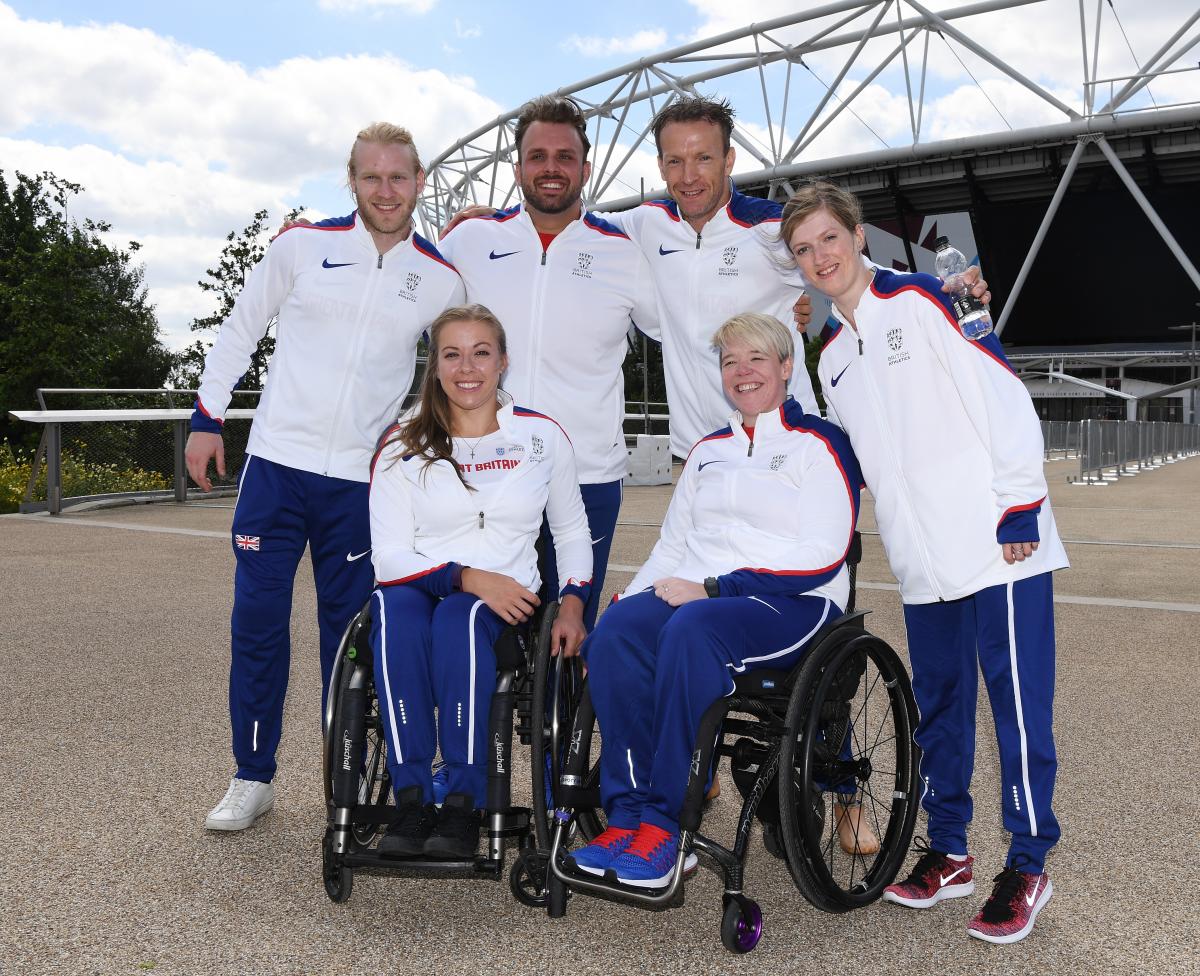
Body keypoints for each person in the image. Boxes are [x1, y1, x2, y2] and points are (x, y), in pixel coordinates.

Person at [782, 180, 1068, 944]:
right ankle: (950, 850)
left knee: (1016, 709)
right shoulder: (832, 354)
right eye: (804, 250)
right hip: (922, 560)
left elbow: (1001, 390)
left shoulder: (924, 298)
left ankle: (1029, 861)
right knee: (939, 708)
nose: (820, 257)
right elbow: (856, 456)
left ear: (858, 237)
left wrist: (1018, 502)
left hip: (997, 542)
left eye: (829, 240)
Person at [189, 123, 465, 832]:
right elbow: (241, 325)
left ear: (419, 183)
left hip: (357, 485)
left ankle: (345, 783)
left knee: (347, 639)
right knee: (257, 625)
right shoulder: (302, 245)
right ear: (352, 180)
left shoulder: (439, 276)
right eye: (371, 177)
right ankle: (253, 776)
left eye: (398, 177)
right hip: (276, 469)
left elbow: (462, 365)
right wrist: (205, 416)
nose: (385, 190)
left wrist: (405, 434)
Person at [566, 312, 867, 888]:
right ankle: (626, 815)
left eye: (756, 359)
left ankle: (667, 828)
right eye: (731, 361)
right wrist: (625, 600)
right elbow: (673, 546)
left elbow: (824, 553)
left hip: (794, 602)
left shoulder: (820, 445)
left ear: (786, 367)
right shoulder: (708, 451)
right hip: (702, 595)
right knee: (618, 637)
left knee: (693, 629)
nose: (743, 371)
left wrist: (716, 588)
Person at [368, 304, 591, 857]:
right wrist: (465, 576)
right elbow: (387, 558)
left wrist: (572, 604)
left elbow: (571, 531)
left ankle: (466, 799)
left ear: (503, 362)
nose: (467, 367)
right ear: (435, 366)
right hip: (423, 587)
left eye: (480, 352)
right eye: (452, 354)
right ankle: (413, 795)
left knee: (461, 618)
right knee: (394, 614)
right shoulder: (401, 444)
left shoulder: (541, 437)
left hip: (502, 604)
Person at [435, 95, 661, 632]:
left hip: (587, 476)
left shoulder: (624, 253)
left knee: (565, 636)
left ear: (586, 167)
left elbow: (694, 324)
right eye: (538, 156)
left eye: (565, 156)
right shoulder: (469, 240)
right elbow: (396, 289)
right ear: (517, 169)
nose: (551, 168)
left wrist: (790, 304)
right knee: (482, 631)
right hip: (482, 470)